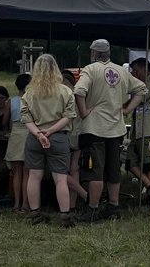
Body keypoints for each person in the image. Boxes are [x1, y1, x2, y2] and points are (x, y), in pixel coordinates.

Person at [74, 39, 147, 223]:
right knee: (114, 170)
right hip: (116, 129)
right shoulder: (121, 71)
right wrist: (127, 109)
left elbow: (79, 90)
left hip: (94, 128)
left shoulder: (90, 70)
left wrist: (83, 112)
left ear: (94, 53)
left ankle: (93, 209)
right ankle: (113, 207)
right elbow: (141, 88)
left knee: (95, 171)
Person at [21, 54, 76, 228]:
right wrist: (50, 131)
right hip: (58, 137)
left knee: (34, 176)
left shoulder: (29, 93)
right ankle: (65, 216)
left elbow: (25, 117)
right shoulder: (65, 91)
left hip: (35, 137)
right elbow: (69, 116)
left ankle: (34, 213)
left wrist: (39, 134)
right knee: (60, 178)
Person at [125, 58, 150, 209]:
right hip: (138, 132)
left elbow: (140, 96)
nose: (134, 74)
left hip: (149, 130)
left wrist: (124, 106)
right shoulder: (140, 84)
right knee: (130, 162)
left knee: (149, 165)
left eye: (136, 70)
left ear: (144, 68)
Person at [61, 69, 88, 214]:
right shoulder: (80, 95)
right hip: (79, 135)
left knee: (59, 170)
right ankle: (73, 205)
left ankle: (84, 195)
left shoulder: (65, 95)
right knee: (74, 169)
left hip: (66, 135)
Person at [4, 73, 31, 213]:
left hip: (15, 134)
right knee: (27, 172)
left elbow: (5, 121)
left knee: (16, 171)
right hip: (28, 133)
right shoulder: (31, 100)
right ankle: (26, 203)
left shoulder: (11, 102)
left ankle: (16, 203)